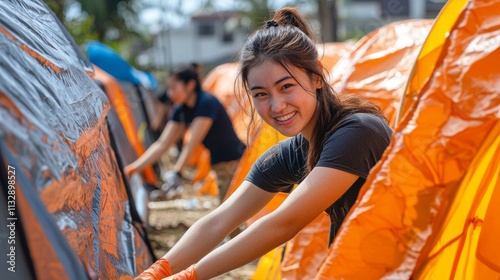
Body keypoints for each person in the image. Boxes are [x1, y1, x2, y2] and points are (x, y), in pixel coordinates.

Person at [135, 7, 393, 280]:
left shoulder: (357, 133)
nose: (276, 105)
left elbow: (285, 222)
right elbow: (220, 220)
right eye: (261, 94)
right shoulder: (295, 151)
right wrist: (158, 271)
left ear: (316, 76)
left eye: (286, 87)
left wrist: (189, 276)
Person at [124, 64, 246, 204]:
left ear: (190, 85)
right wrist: (134, 167)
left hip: (234, 162)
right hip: (219, 164)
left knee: (230, 212)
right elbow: (162, 144)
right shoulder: (181, 109)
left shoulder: (206, 103)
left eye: (174, 88)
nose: (170, 94)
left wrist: (177, 172)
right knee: (229, 211)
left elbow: (192, 143)